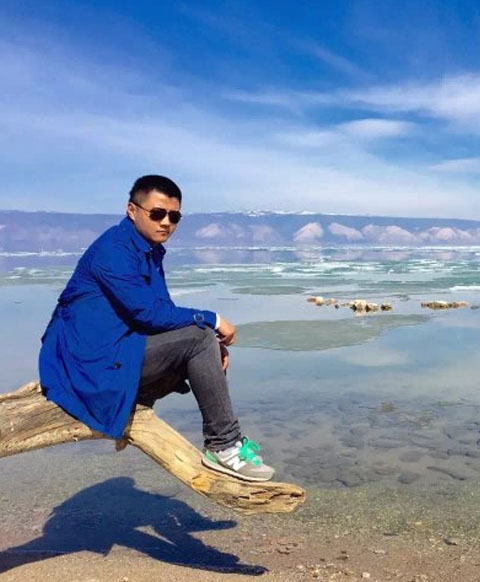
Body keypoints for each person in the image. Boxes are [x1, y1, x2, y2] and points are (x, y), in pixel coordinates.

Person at [39, 175, 274, 482]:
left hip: (112, 350)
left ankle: (154, 407)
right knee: (200, 338)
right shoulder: (114, 251)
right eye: (157, 213)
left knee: (201, 342)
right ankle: (224, 445)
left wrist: (209, 344)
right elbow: (149, 314)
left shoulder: (146, 249)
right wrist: (213, 320)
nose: (166, 223)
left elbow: (162, 313)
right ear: (132, 210)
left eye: (174, 217)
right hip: (86, 366)